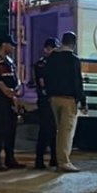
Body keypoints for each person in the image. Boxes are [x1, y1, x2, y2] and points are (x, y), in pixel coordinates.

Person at [44, 31, 86, 172]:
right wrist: (82, 100)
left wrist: (49, 95)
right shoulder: (73, 60)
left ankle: (57, 159)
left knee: (57, 130)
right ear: (73, 44)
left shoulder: (52, 58)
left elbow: (46, 77)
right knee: (66, 132)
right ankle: (64, 162)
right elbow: (77, 82)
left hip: (54, 99)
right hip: (68, 100)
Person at [0, 35, 23, 172]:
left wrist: (16, 93)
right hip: (0, 101)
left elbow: (16, 80)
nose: (13, 47)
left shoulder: (9, 61)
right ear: (4, 44)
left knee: (11, 131)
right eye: (11, 45)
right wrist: (10, 93)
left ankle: (10, 159)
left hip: (10, 101)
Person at [32, 38, 58, 169]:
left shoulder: (55, 63)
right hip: (45, 100)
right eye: (51, 48)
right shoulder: (41, 64)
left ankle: (54, 158)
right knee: (45, 130)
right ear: (46, 49)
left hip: (53, 100)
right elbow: (42, 83)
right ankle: (39, 160)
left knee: (54, 131)